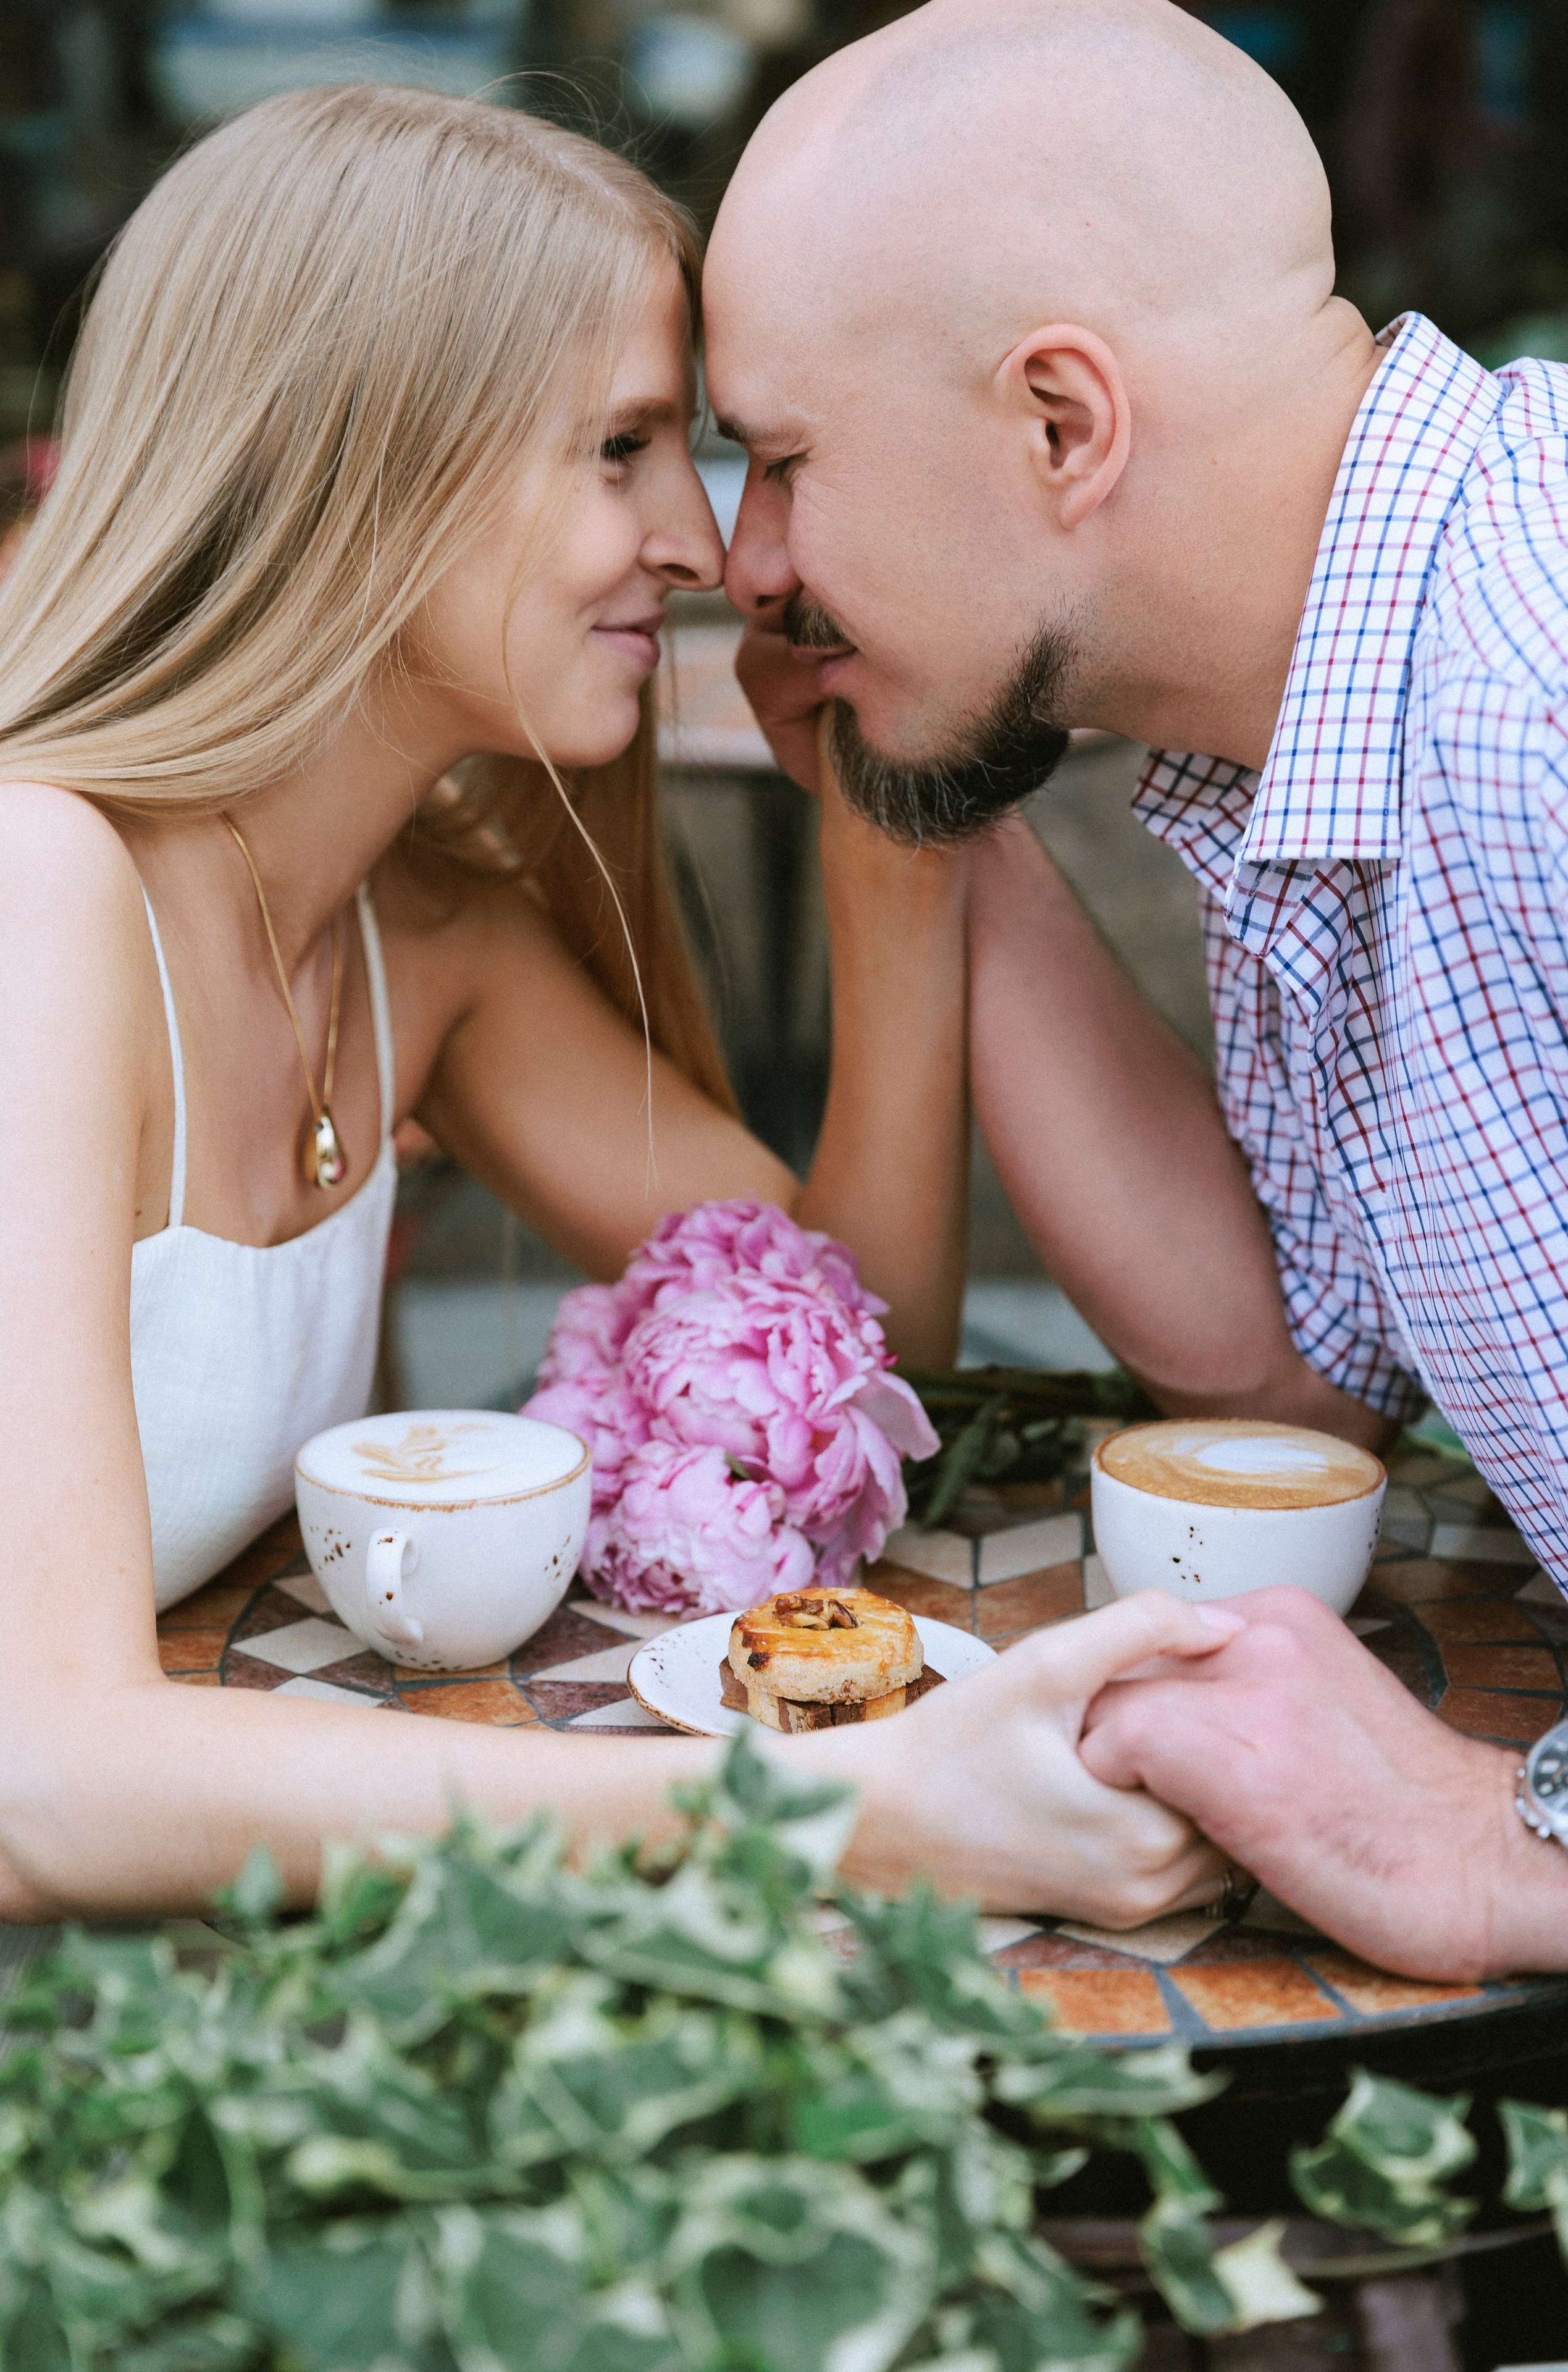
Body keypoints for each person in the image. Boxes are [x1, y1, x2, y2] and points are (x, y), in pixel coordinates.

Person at [0, 80, 1274, 1928]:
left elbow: (840, 1342)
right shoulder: (43, 893)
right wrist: (838, 1806)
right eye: (622, 448)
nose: (700, 542)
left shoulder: (422, 937)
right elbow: (41, 1776)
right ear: (360, 465)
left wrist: (886, 836)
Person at [706, 0, 1568, 1978]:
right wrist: (928, 793)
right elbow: (1285, 1380)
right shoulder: (1340, 701)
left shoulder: (1547, 692)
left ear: (1062, 426)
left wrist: (1510, 1834)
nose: (742, 562)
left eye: (779, 461)